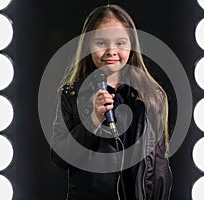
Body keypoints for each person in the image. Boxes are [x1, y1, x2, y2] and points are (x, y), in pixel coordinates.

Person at [50, 4, 172, 200]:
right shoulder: (72, 93)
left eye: (120, 43)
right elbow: (60, 157)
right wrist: (92, 122)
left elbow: (159, 167)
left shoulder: (151, 94)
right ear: (88, 45)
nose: (111, 51)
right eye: (101, 43)